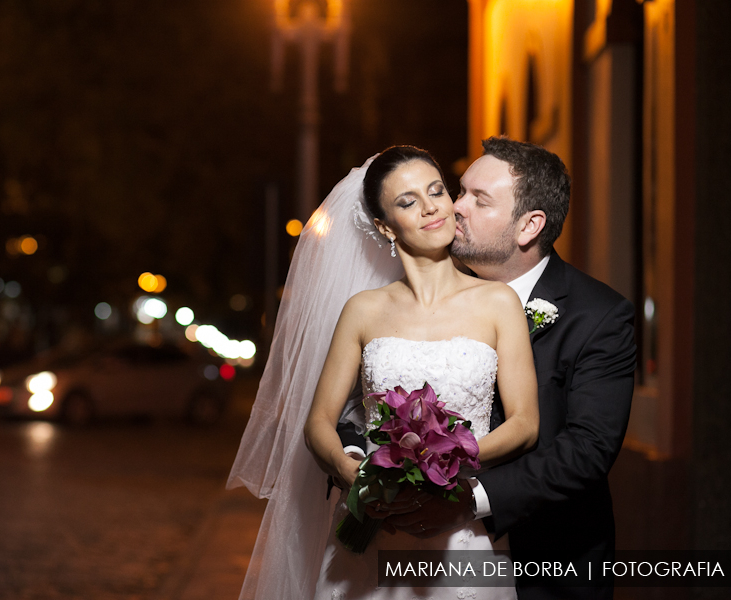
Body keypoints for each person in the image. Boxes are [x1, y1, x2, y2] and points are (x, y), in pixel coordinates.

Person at [227, 145, 539, 600]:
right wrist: (352, 471)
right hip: (373, 523)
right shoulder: (363, 310)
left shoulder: (498, 302)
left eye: (436, 191)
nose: (431, 206)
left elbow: (526, 424)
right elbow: (317, 422)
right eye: (408, 201)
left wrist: (445, 468)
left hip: (461, 532)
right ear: (384, 226)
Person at [384, 137, 637, 600]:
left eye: (479, 199)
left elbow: (588, 449)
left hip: (548, 563)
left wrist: (470, 503)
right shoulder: (425, 297)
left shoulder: (599, 316)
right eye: (459, 191)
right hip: (421, 557)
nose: (455, 207)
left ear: (529, 226)